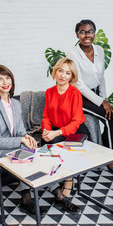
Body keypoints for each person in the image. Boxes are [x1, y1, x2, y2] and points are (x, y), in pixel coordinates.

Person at [0, 65, 44, 216]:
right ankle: (26, 199)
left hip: (10, 142)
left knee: (36, 151)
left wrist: (27, 137)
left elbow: (20, 131)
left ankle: (58, 193)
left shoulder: (16, 104)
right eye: (0, 79)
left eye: (7, 77)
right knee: (24, 154)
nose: (5, 82)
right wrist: (21, 141)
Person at [67, 19, 113, 172]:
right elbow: (79, 84)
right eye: (82, 32)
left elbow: (101, 77)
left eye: (90, 31)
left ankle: (109, 149)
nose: (87, 35)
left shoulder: (99, 50)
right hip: (79, 96)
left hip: (95, 93)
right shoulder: (73, 53)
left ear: (94, 33)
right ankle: (111, 158)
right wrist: (102, 103)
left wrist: (104, 98)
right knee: (109, 117)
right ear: (77, 34)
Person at [41, 57, 90, 213]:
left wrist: (56, 132)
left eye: (67, 73)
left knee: (59, 147)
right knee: (46, 147)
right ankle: (55, 181)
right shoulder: (49, 92)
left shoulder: (75, 93)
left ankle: (68, 181)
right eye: (60, 71)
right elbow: (46, 116)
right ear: (55, 72)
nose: (62, 75)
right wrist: (46, 131)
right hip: (56, 129)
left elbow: (76, 122)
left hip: (75, 131)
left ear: (72, 76)